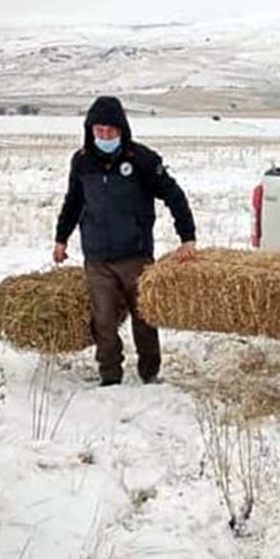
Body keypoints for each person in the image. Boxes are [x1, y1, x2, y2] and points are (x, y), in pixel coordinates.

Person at [54, 96, 197, 387]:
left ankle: (149, 372)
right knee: (103, 319)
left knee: (144, 317)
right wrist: (61, 239)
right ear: (90, 130)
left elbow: (174, 195)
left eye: (111, 130)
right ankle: (110, 376)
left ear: (122, 129)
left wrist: (187, 237)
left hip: (135, 255)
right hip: (97, 256)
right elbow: (73, 202)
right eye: (99, 130)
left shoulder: (142, 159)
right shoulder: (82, 161)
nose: (105, 136)